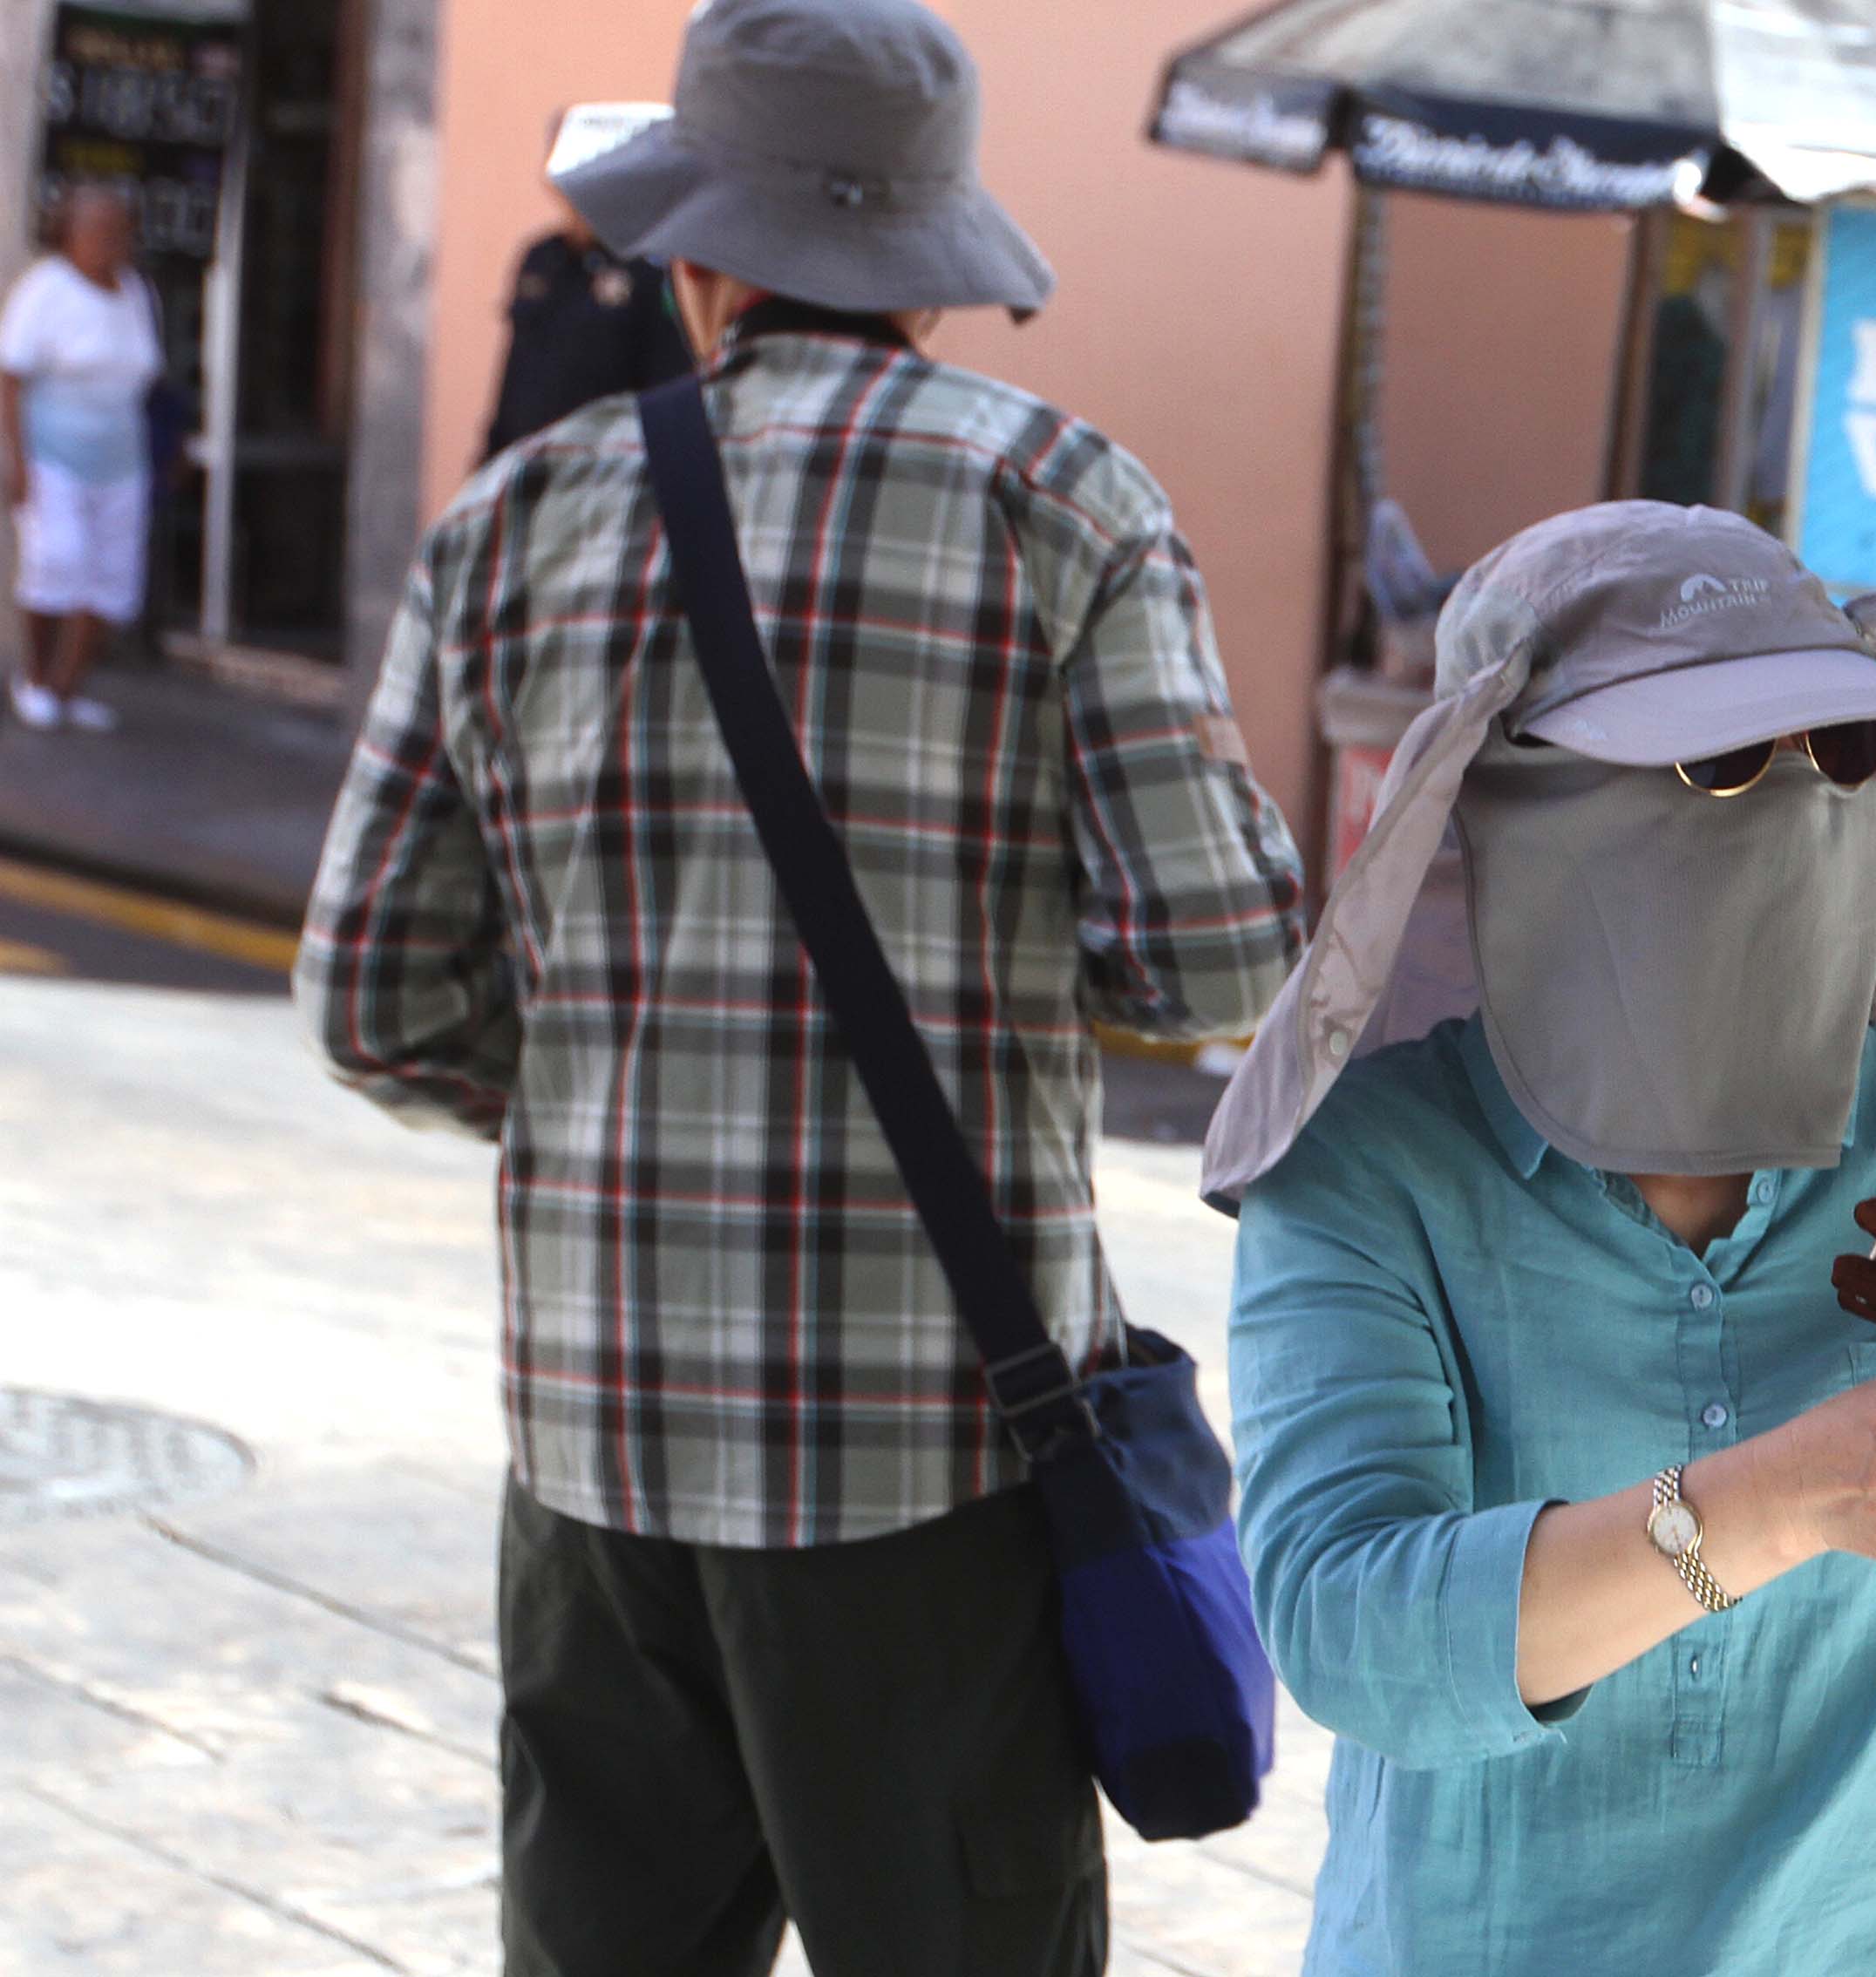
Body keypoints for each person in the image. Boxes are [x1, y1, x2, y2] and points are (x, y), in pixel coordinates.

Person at [294, 3, 1305, 1971]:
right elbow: (1224, 954)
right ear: (925, 277)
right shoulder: (1064, 503)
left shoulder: (508, 523)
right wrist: (990, 978)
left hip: (591, 1467)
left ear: (696, 254)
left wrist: (617, 1066)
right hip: (927, 1471)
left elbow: (368, 995)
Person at [1204, 501, 1876, 1974]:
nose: (1799, 797)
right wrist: (1773, 1502)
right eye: (1718, 757)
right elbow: (1351, 1626)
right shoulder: (1370, 1172)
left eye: (1841, 746)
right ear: (1518, 799)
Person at [1, 187, 161, 733]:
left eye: (119, 231)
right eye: (97, 230)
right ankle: (35, 680)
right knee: (58, 562)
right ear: (67, 234)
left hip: (121, 456)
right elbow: (10, 376)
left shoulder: (137, 292)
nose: (110, 242)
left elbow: (146, 376)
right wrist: (16, 461)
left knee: (112, 578)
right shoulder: (45, 290)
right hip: (53, 454)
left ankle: (69, 689)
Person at [479, 128, 693, 459]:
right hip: (526, 469)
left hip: (605, 474)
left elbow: (666, 382)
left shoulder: (648, 267)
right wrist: (487, 461)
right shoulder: (541, 258)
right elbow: (514, 379)